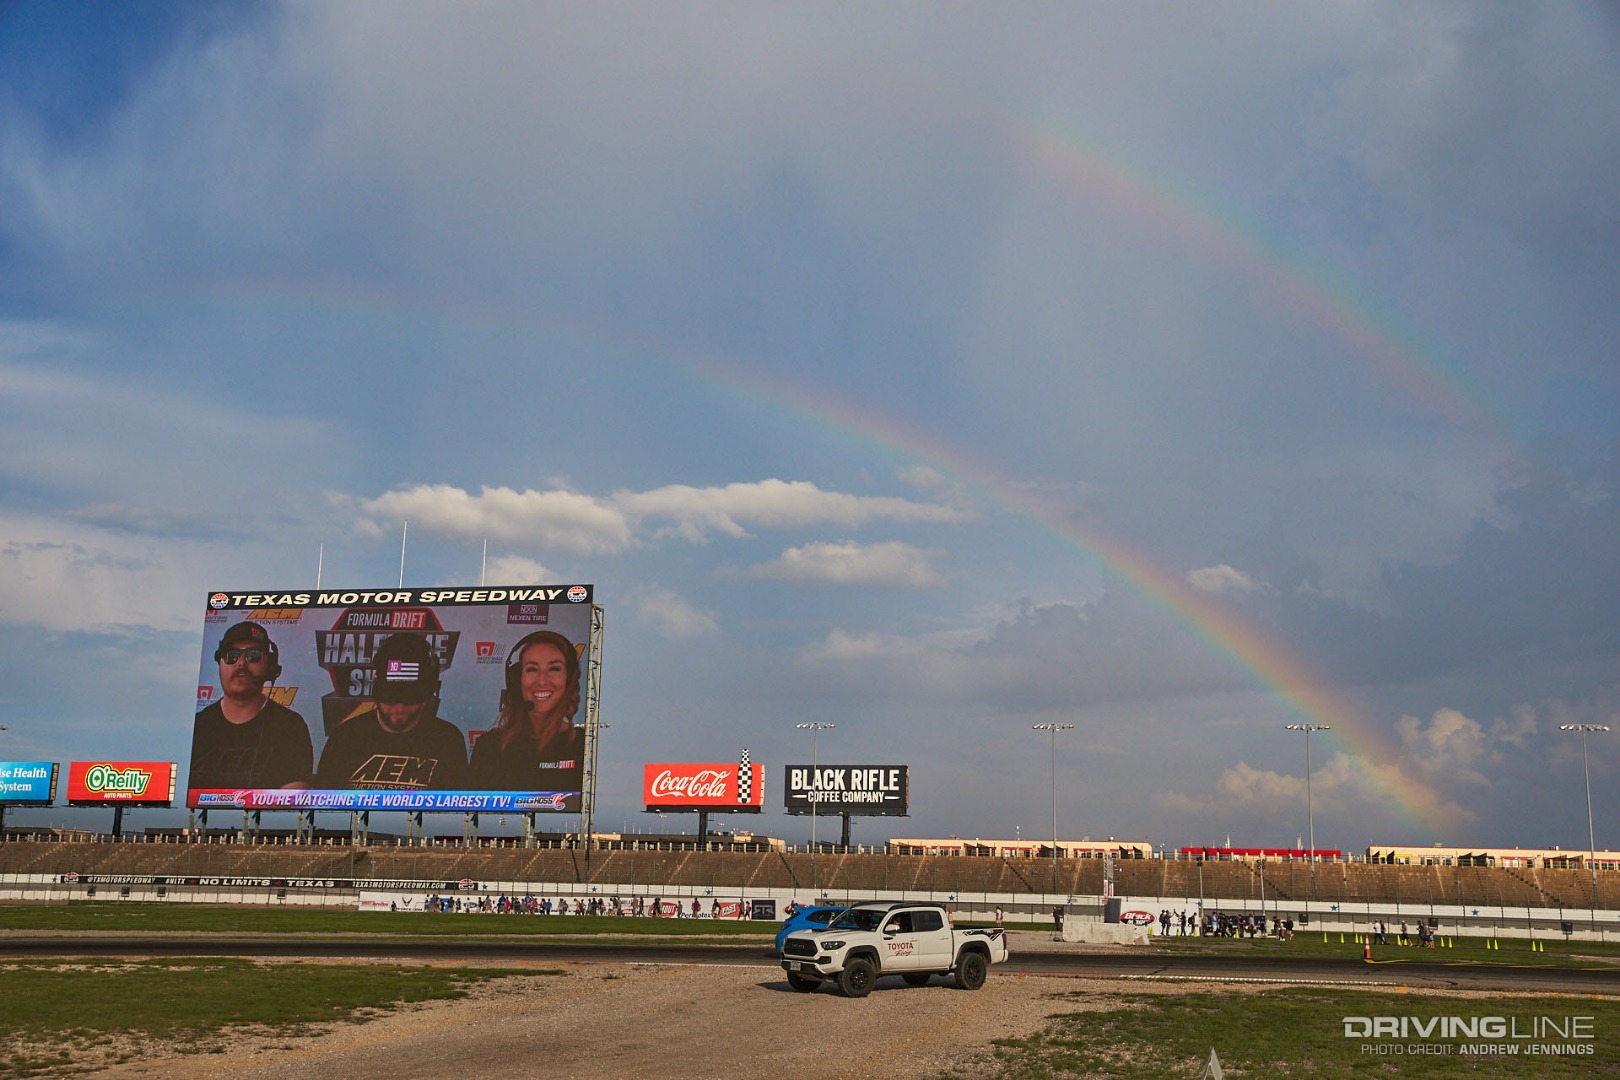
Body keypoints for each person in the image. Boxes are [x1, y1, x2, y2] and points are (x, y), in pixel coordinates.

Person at [315, 633, 469, 790]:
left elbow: (454, 804)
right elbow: (323, 801)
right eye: (391, 698)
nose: (399, 709)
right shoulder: (345, 737)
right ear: (377, 692)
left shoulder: (447, 741)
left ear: (427, 697)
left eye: (410, 699)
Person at [188, 621, 313, 791]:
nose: (241, 663)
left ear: (269, 665)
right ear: (220, 663)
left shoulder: (291, 727)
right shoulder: (197, 727)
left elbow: (292, 799)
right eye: (231, 656)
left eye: (253, 655)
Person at [468, 631, 586, 799]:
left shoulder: (585, 745)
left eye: (554, 669)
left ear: (569, 679)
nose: (542, 681)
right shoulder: (489, 747)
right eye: (532, 669)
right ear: (516, 680)